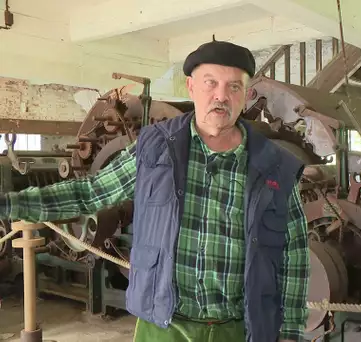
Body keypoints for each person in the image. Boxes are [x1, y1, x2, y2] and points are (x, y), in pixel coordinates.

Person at [0, 39, 310, 342]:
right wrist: (9, 205)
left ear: (246, 94)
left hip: (241, 329)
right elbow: (90, 193)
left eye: (234, 87)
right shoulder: (154, 148)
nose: (221, 96)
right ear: (190, 87)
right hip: (163, 327)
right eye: (210, 83)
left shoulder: (275, 167)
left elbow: (294, 255)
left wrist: (291, 334)